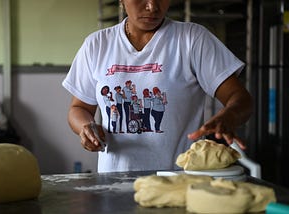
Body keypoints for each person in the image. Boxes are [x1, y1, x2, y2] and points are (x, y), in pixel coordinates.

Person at [62, 0, 253, 172]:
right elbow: (79, 108)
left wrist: (230, 115)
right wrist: (85, 128)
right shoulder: (97, 44)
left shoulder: (192, 39)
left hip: (180, 181)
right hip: (114, 181)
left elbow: (240, 98)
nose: (152, 6)